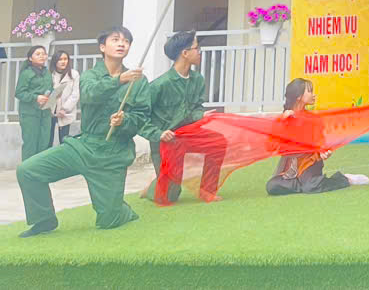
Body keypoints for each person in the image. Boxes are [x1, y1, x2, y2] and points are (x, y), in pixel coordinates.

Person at [16, 27, 152, 236]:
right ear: (102, 47)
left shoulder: (139, 81)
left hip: (113, 153)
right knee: (27, 170)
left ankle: (119, 208)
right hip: (84, 146)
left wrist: (125, 120)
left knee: (110, 220)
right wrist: (119, 80)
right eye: (115, 39)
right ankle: (44, 219)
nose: (121, 44)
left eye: (126, 41)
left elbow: (142, 116)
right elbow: (89, 95)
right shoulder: (89, 76)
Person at [144, 31, 226, 205]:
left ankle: (207, 190)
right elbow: (140, 116)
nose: (200, 52)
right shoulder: (159, 85)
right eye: (197, 48)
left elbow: (195, 108)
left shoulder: (197, 80)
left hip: (188, 134)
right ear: (185, 53)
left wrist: (201, 115)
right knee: (168, 197)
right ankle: (153, 187)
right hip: (166, 140)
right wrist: (158, 133)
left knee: (217, 142)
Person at [265, 78, 369, 195]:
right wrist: (282, 122)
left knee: (311, 186)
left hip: (309, 163)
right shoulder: (283, 119)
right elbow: (270, 146)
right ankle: (303, 184)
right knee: (272, 186)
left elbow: (321, 144)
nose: (313, 95)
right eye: (310, 91)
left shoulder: (313, 120)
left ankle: (345, 179)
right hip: (290, 167)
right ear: (299, 96)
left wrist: (323, 153)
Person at [15, 46, 54, 161]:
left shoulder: (47, 73)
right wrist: (35, 98)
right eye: (38, 54)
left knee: (44, 143)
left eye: (43, 54)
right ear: (30, 58)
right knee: (30, 144)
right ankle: (27, 170)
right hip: (30, 114)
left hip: (45, 113)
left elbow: (50, 89)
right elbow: (19, 93)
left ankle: (39, 169)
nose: (42, 56)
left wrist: (53, 95)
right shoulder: (26, 73)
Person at [49, 51, 79, 146]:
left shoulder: (74, 74)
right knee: (48, 140)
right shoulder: (50, 74)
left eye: (65, 59)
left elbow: (75, 94)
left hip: (65, 112)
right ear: (55, 61)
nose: (63, 62)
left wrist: (64, 109)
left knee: (64, 140)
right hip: (51, 111)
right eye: (60, 59)